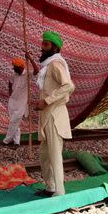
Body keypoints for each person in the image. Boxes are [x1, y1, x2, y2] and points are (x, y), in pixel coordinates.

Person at [34, 31, 74, 197]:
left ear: (55, 47)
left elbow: (69, 86)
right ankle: (50, 187)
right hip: (46, 116)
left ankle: (59, 192)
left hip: (55, 115)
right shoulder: (48, 66)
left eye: (46, 44)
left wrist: (47, 101)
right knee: (44, 155)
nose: (42, 47)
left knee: (55, 155)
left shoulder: (56, 64)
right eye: (42, 44)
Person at [2, 58, 30, 146]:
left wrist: (30, 58)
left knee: (14, 121)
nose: (13, 68)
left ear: (21, 67)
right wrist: (10, 93)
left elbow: (37, 71)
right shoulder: (14, 75)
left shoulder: (28, 74)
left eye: (15, 67)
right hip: (13, 101)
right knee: (14, 122)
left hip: (22, 103)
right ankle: (17, 142)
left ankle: (6, 141)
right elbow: (10, 83)